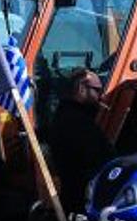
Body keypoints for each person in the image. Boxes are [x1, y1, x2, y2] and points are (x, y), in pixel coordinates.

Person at [45, 67, 114, 211]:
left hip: (73, 198)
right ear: (82, 89)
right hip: (83, 203)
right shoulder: (78, 124)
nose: (101, 96)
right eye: (97, 90)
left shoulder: (64, 116)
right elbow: (99, 161)